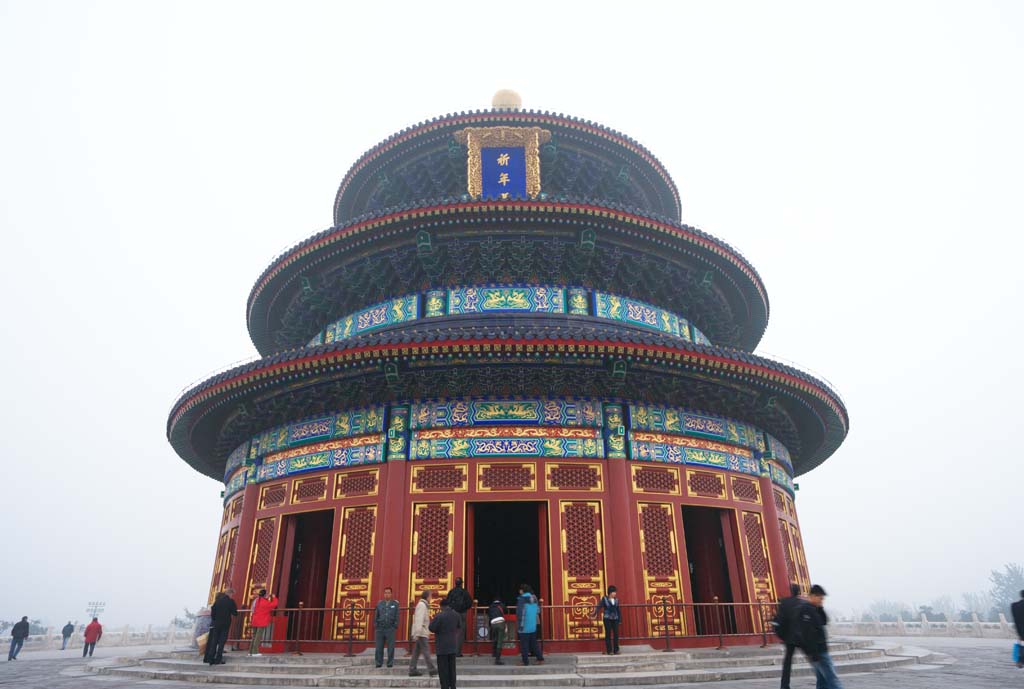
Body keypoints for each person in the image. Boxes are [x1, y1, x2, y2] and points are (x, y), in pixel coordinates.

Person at [795, 584, 842, 689]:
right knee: (832, 679)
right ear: (812, 596)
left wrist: (820, 607)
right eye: (820, 598)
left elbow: (824, 621)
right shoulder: (806, 610)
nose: (822, 600)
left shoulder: (815, 608)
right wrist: (814, 653)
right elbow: (808, 634)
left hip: (818, 651)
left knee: (822, 681)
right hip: (818, 652)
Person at [771, 584, 803, 689]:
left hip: (789, 638)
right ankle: (822, 682)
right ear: (798, 592)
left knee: (787, 663)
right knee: (814, 659)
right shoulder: (802, 603)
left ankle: (784, 685)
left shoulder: (784, 602)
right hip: (801, 637)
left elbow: (779, 619)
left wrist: (781, 635)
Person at [429, 597, 463, 689]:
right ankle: (453, 686)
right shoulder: (456, 615)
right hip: (452, 645)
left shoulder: (439, 616)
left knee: (443, 669)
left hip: (442, 647)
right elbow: (459, 626)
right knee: (452, 668)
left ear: (441, 606)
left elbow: (431, 628)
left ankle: (444, 686)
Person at [204, 588, 238, 665]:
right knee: (222, 642)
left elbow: (213, 611)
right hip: (225, 624)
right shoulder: (230, 601)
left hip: (216, 623)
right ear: (230, 594)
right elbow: (235, 613)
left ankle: (210, 658)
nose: (232, 596)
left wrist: (215, 619)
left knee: (214, 641)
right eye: (232, 594)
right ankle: (218, 659)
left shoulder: (218, 601)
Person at [409, 589, 438, 678]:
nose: (431, 598)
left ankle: (412, 669)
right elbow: (419, 619)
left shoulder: (423, 605)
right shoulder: (422, 605)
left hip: (421, 632)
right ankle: (432, 669)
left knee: (416, 652)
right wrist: (417, 633)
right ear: (427, 596)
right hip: (421, 632)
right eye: (430, 596)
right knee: (426, 651)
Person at [516, 584, 544, 666]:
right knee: (534, 643)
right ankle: (540, 659)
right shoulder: (534, 599)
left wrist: (519, 624)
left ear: (522, 590)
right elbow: (538, 611)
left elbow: (519, 613)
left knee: (524, 644)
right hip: (533, 625)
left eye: (520, 590)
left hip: (524, 625)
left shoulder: (522, 599)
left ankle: (525, 661)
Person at [374, 586, 400, 668]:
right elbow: (376, 615)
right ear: (384, 594)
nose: (387, 594)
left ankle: (390, 663)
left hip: (390, 628)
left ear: (391, 594)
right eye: (385, 593)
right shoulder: (379, 604)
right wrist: (376, 625)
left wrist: (395, 625)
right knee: (379, 647)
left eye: (388, 593)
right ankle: (378, 662)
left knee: (391, 647)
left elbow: (397, 616)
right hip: (380, 628)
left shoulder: (395, 604)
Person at [446, 577, 473, 657]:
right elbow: (470, 602)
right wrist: (464, 608)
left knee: (452, 632)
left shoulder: (451, 592)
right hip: (462, 613)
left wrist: (452, 608)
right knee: (460, 633)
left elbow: (448, 602)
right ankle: (458, 652)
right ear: (462, 583)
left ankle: (451, 651)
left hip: (453, 613)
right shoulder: (464, 592)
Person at [592, 585, 621, 655]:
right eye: (614, 592)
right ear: (610, 592)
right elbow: (599, 606)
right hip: (607, 618)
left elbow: (618, 610)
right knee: (608, 634)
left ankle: (616, 650)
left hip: (615, 618)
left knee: (616, 634)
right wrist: (594, 613)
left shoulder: (616, 600)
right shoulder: (604, 599)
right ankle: (609, 650)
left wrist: (620, 619)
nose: (615, 593)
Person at [249, 589, 278, 656]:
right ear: (265, 595)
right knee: (258, 637)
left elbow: (252, 609)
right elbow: (274, 604)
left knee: (254, 636)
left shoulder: (256, 600)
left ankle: (250, 652)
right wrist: (274, 598)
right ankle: (255, 652)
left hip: (255, 620)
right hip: (261, 621)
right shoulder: (265, 602)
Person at [487, 597, 507, 665]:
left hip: (493, 623)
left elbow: (489, 615)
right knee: (499, 641)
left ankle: (494, 653)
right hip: (500, 622)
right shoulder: (501, 605)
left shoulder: (490, 606)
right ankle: (497, 659)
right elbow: (506, 610)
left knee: (495, 638)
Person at [1012, 589, 1024, 669]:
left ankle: (1020, 661)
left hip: (1020, 630)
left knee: (1022, 645)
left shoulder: (1014, 605)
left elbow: (1015, 619)